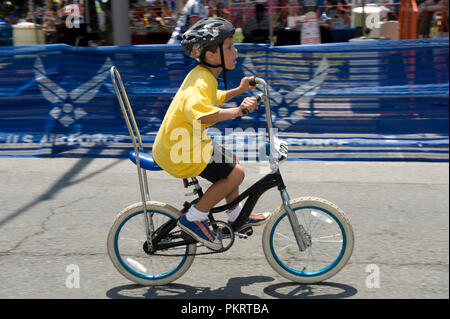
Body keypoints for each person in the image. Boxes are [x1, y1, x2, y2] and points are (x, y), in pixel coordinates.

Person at [152, 17, 270, 250]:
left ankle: (235, 214)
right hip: (180, 151)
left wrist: (239, 90)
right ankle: (194, 217)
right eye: (228, 47)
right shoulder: (200, 82)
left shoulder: (203, 76)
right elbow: (201, 115)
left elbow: (213, 98)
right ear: (211, 54)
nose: (235, 50)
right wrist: (239, 110)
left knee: (231, 162)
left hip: (184, 145)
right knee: (236, 174)